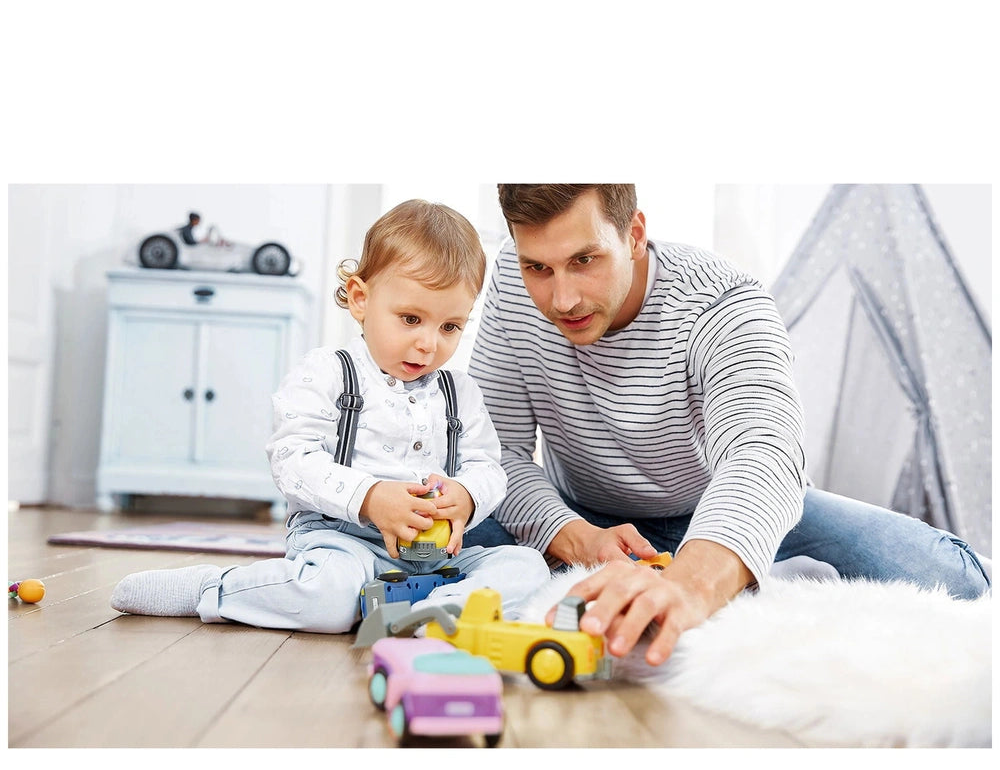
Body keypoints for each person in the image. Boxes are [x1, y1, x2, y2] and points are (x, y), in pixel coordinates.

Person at [465, 184, 991, 667]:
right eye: (539, 268)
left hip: (715, 503)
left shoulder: (722, 299)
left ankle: (737, 567)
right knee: (456, 525)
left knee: (945, 578)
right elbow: (497, 452)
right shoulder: (512, 278)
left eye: (585, 260)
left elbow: (764, 451)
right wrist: (575, 538)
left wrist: (692, 582)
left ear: (635, 235)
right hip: (588, 511)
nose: (563, 300)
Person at [111, 200, 550, 632]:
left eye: (450, 327)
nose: (429, 344)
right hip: (343, 544)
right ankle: (213, 590)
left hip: (441, 557)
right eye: (411, 318)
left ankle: (435, 612)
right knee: (328, 596)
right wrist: (370, 496)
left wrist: (468, 495)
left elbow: (488, 467)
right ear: (360, 299)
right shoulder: (327, 373)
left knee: (527, 566)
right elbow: (291, 457)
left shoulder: (461, 392)